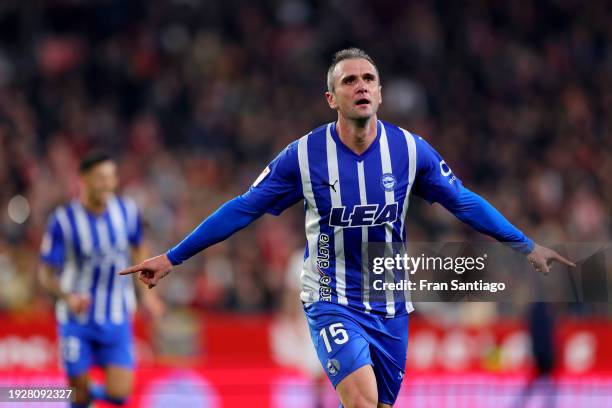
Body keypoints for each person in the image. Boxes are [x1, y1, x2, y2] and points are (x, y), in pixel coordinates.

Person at [120, 48, 574, 408]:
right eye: (349, 80)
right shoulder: (302, 156)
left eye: (369, 79)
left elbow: (465, 202)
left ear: (380, 93)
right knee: (361, 400)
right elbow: (243, 208)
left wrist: (526, 244)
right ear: (332, 98)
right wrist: (173, 256)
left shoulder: (411, 151)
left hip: (390, 304)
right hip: (331, 300)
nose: (361, 86)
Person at [39, 152, 163, 408]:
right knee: (78, 396)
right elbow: (45, 273)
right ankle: (81, 394)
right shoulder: (63, 221)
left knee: (119, 393)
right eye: (100, 178)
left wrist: (149, 297)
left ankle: (86, 394)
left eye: (111, 177)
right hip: (76, 320)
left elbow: (139, 248)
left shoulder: (127, 212)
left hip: (117, 317)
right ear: (83, 179)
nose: (107, 184)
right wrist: (67, 297)